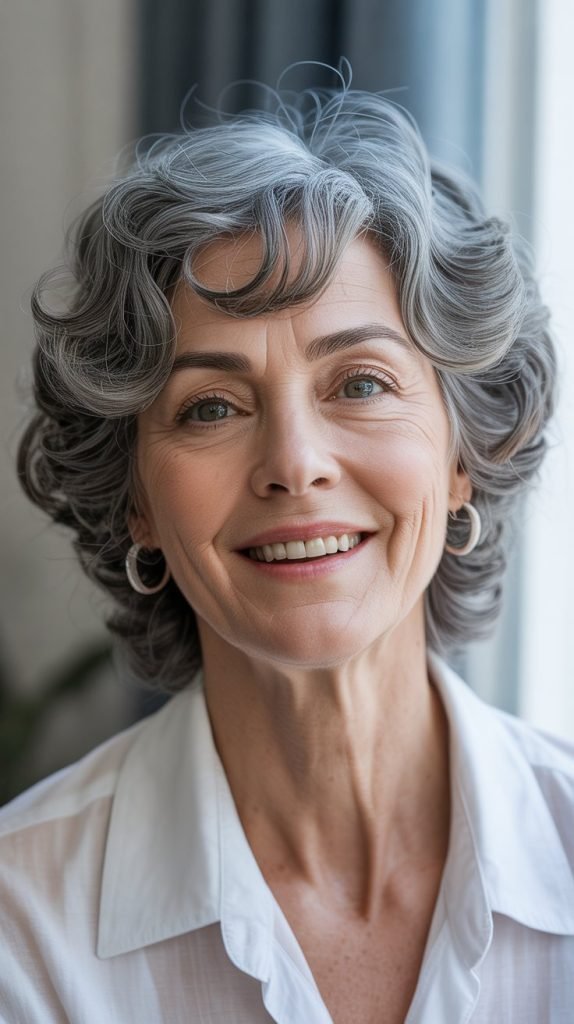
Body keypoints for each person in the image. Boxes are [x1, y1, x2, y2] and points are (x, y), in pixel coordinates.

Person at [1, 74, 573, 1024]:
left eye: (359, 383)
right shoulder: (20, 926)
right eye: (211, 407)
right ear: (136, 498)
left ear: (465, 455)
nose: (294, 465)